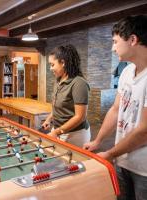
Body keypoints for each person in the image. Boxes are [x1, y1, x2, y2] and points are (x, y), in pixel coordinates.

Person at [83, 15, 147, 200]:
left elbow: (144, 131)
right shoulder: (127, 71)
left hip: (144, 169)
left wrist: (110, 152)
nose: (112, 48)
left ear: (133, 40)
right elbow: (116, 108)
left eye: (115, 42)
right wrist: (98, 141)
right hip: (122, 159)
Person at [41, 44, 91, 147]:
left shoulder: (79, 83)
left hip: (75, 135)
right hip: (59, 130)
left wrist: (57, 132)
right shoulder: (58, 81)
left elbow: (80, 117)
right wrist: (49, 119)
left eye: (52, 65)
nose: (50, 68)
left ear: (63, 62)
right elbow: (57, 106)